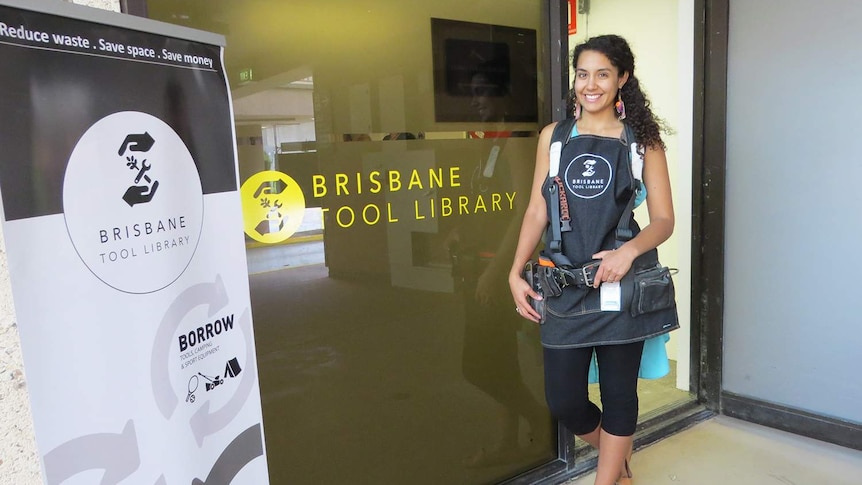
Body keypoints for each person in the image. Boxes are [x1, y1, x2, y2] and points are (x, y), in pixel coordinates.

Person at [508, 35, 679, 485]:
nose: (590, 85)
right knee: (563, 399)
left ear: (622, 78)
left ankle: (608, 480)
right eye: (583, 74)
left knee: (620, 393)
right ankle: (617, 463)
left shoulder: (642, 142)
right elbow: (536, 209)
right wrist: (514, 270)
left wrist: (628, 251)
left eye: (602, 74)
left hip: (620, 285)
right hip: (562, 286)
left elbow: (663, 220)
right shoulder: (555, 137)